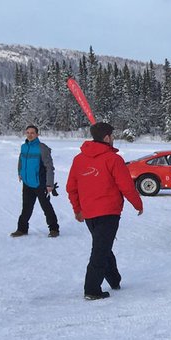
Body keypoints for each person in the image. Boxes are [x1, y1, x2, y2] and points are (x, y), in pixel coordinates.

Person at [66, 122, 143, 300]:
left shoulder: (79, 159)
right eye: (112, 136)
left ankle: (114, 279)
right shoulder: (113, 159)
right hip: (108, 212)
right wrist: (137, 204)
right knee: (100, 250)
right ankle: (92, 289)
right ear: (107, 137)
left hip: (89, 214)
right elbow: (126, 186)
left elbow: (71, 188)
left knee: (103, 246)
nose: (114, 139)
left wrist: (78, 209)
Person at [11, 124, 60, 237]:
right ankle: (22, 229)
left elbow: (49, 167)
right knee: (26, 207)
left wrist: (49, 184)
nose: (30, 135)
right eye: (28, 132)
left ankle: (54, 229)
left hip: (40, 184)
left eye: (32, 133)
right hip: (27, 183)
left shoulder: (42, 148)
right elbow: (21, 160)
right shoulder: (24, 146)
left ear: (37, 134)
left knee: (46, 207)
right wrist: (20, 173)